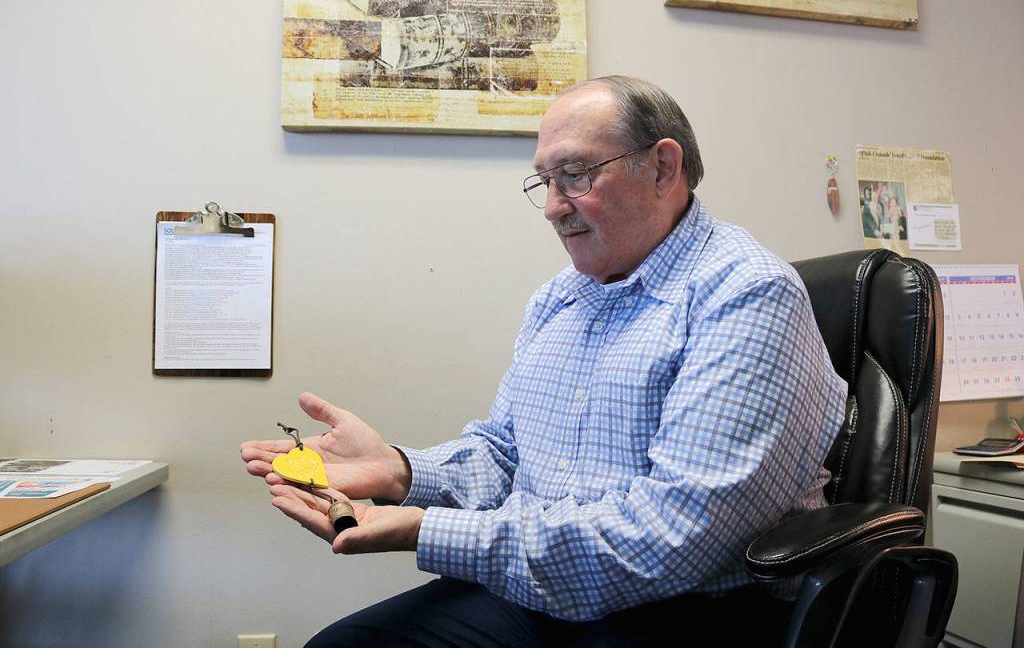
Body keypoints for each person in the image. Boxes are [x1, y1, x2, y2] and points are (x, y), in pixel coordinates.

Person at [241, 76, 847, 646]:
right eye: (546, 182)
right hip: (546, 588)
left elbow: (673, 538)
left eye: (577, 175)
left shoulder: (746, 293)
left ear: (663, 167)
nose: (555, 207)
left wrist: (423, 529)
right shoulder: (560, 298)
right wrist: (399, 471)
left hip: (683, 608)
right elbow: (506, 455)